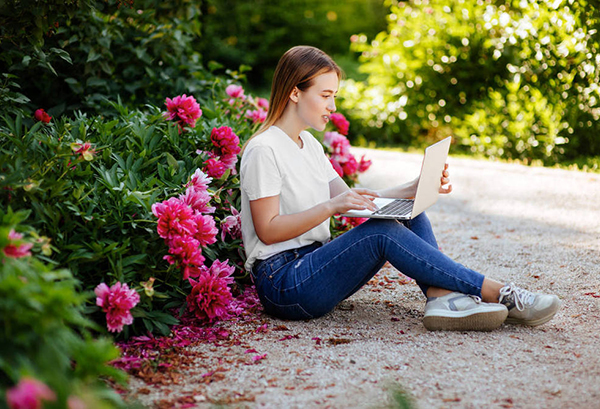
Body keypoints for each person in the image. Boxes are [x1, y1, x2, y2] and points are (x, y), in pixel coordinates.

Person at [239, 45, 560, 331]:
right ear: (295, 92)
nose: (332, 106)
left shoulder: (307, 144)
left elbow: (353, 201)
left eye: (333, 96)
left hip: (313, 264)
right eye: (325, 95)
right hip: (283, 282)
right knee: (382, 233)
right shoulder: (264, 149)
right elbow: (268, 230)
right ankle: (499, 292)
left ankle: (441, 298)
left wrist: (413, 189)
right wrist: (330, 207)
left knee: (410, 216)